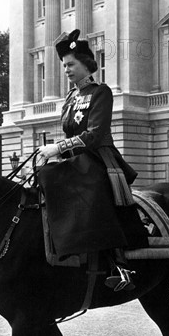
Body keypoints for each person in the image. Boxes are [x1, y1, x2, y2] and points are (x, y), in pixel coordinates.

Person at [37, 29, 146, 291]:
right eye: (64, 66)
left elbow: (95, 134)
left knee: (91, 190)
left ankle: (119, 266)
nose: (66, 70)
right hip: (73, 158)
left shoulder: (101, 92)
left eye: (71, 64)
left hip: (98, 158)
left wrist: (59, 148)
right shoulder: (70, 98)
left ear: (86, 64)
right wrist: (53, 154)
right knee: (44, 178)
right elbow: (68, 130)